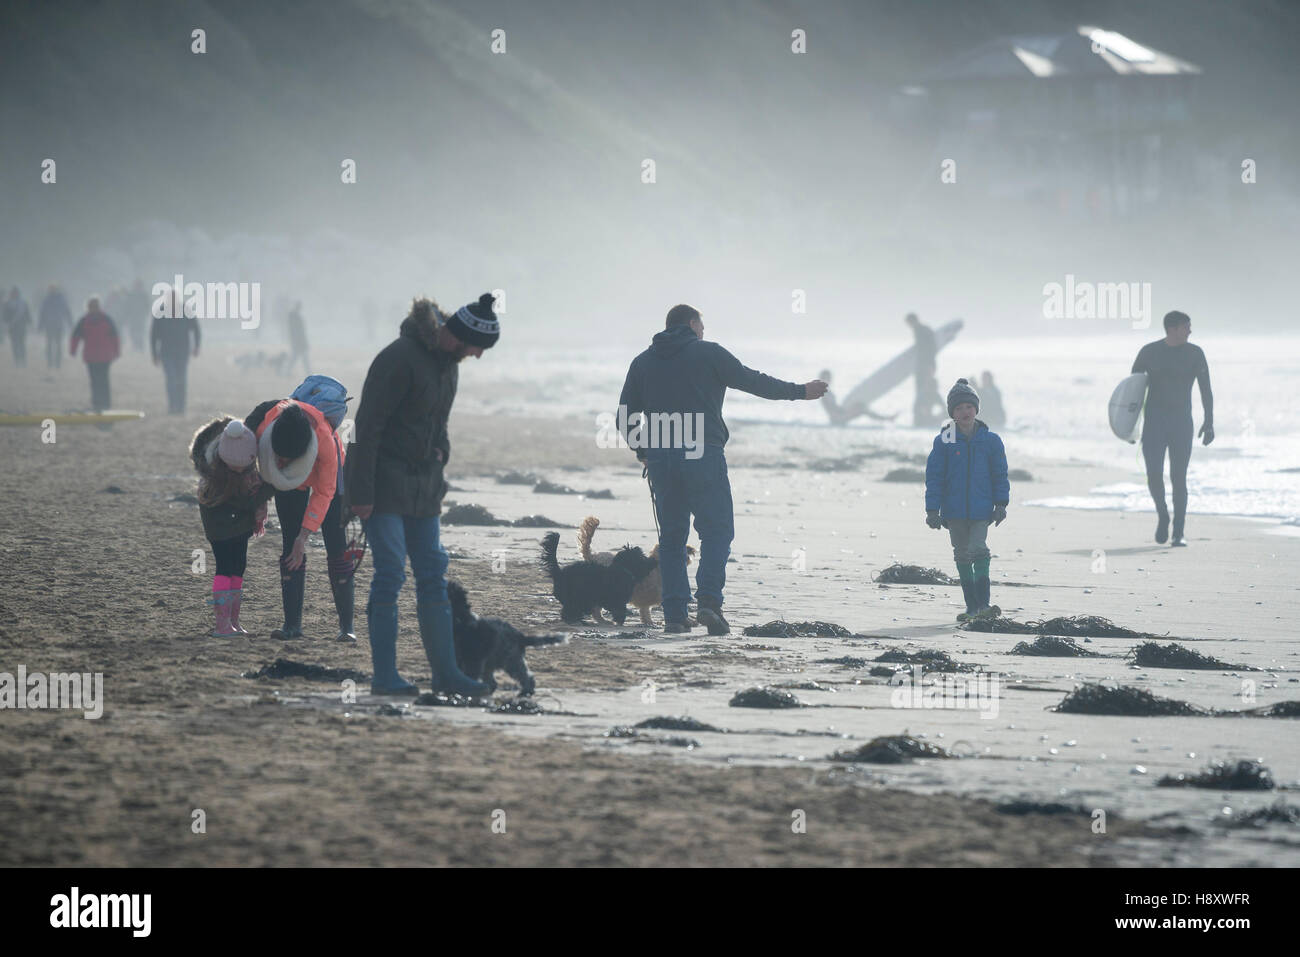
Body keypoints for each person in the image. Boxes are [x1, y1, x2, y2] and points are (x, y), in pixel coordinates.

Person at [617, 303, 827, 636]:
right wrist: (799, 392)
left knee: (671, 539)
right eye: (702, 327)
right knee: (716, 532)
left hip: (662, 460)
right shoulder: (708, 353)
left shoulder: (643, 362)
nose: (703, 333)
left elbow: (624, 418)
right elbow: (753, 381)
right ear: (691, 324)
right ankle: (709, 604)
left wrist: (644, 450)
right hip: (703, 455)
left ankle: (674, 615)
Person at [346, 293, 500, 696]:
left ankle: (446, 674)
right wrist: (359, 493)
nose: (478, 357)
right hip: (383, 487)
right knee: (391, 573)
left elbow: (440, 425)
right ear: (461, 336)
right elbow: (365, 426)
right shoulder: (398, 357)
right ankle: (384, 677)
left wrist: (441, 450)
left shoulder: (450, 368)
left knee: (433, 576)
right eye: (478, 348)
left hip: (426, 490)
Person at [245, 397, 352, 642]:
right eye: (279, 457)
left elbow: (325, 493)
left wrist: (305, 536)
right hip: (291, 484)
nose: (281, 463)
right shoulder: (265, 431)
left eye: (286, 460)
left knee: (337, 546)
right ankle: (291, 625)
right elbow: (260, 471)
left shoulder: (326, 444)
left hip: (329, 479)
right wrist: (260, 502)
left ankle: (347, 627)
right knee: (289, 546)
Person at [925, 378, 1010, 621]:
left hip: (982, 510)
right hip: (953, 512)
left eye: (969, 407)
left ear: (976, 409)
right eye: (959, 408)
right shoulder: (944, 441)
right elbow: (934, 477)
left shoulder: (991, 441)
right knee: (961, 554)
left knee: (978, 549)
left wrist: (1001, 504)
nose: (965, 411)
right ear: (952, 412)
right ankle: (972, 608)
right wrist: (932, 510)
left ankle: (984, 604)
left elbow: (1000, 474)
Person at [1131, 310, 1213, 547]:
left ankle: (1179, 532)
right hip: (1154, 425)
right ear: (1173, 329)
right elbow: (1132, 393)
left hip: (1181, 425)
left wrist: (1209, 422)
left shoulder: (1195, 354)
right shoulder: (1149, 352)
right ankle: (1163, 514)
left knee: (1179, 478)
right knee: (1154, 476)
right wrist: (1128, 428)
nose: (1190, 330)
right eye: (1187, 326)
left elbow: (1206, 390)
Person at [190, 418, 274, 636]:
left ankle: (233, 622)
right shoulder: (216, 477)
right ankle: (222, 625)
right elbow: (245, 502)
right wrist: (270, 490)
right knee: (225, 568)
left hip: (240, 526)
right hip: (220, 530)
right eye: (235, 466)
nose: (239, 470)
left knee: (239, 568)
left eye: (243, 467)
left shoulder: (243, 470)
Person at [150, 290, 201, 414]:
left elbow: (196, 328)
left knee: (181, 379)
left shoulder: (185, 310)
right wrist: (154, 354)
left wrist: (197, 346)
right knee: (171, 379)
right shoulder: (160, 312)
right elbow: (153, 334)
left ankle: (181, 407)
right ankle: (172, 406)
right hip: (166, 352)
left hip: (182, 351)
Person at [69, 297, 121, 411]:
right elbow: (115, 336)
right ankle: (105, 403)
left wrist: (73, 351)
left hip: (93, 356)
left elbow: (75, 336)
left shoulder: (84, 320)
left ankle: (98, 402)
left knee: (95, 380)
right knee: (103, 380)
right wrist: (117, 351)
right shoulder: (106, 319)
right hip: (103, 356)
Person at [905, 313, 945, 427]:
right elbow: (931, 348)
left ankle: (921, 419)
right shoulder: (924, 329)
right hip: (926, 365)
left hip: (924, 366)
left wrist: (929, 365)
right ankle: (923, 418)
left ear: (912, 321)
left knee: (925, 391)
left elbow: (929, 348)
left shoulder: (920, 330)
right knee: (925, 391)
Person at [38, 285, 72, 369]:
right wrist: (40, 325)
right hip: (53, 325)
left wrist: (70, 323)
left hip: (56, 325)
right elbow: (42, 313)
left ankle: (56, 362)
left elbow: (66, 311)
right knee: (51, 344)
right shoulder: (50, 300)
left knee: (56, 344)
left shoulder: (54, 300)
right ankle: (52, 362)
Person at [3, 287, 32, 367]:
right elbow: (5, 317)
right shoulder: (7, 303)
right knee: (14, 344)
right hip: (12, 328)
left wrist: (30, 324)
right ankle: (17, 361)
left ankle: (23, 360)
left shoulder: (23, 303)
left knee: (21, 344)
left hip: (21, 327)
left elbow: (27, 315)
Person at [287, 302, 309, 374]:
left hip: (298, 341)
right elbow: (299, 331)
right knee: (301, 358)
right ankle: (308, 372)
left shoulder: (294, 317)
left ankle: (287, 371)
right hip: (299, 341)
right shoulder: (295, 317)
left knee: (295, 358)